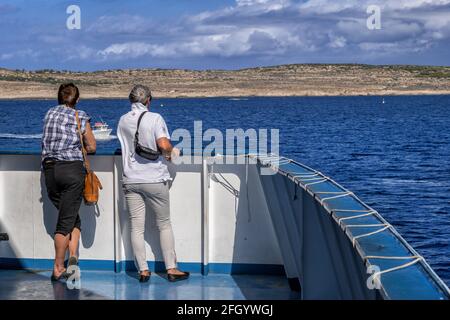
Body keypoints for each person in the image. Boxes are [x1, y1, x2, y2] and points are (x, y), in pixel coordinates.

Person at [117, 85, 188, 283]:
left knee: (136, 227)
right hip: (154, 179)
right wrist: (174, 155)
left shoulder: (122, 120)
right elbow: (164, 146)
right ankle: (172, 269)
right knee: (164, 225)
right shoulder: (155, 118)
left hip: (131, 179)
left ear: (131, 100)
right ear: (148, 100)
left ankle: (143, 271)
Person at [41, 83, 96, 281]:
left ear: (58, 97)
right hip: (71, 170)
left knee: (71, 216)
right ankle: (58, 267)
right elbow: (91, 145)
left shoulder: (49, 113)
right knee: (65, 222)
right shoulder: (79, 115)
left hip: (49, 170)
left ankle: (73, 257)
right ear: (77, 99)